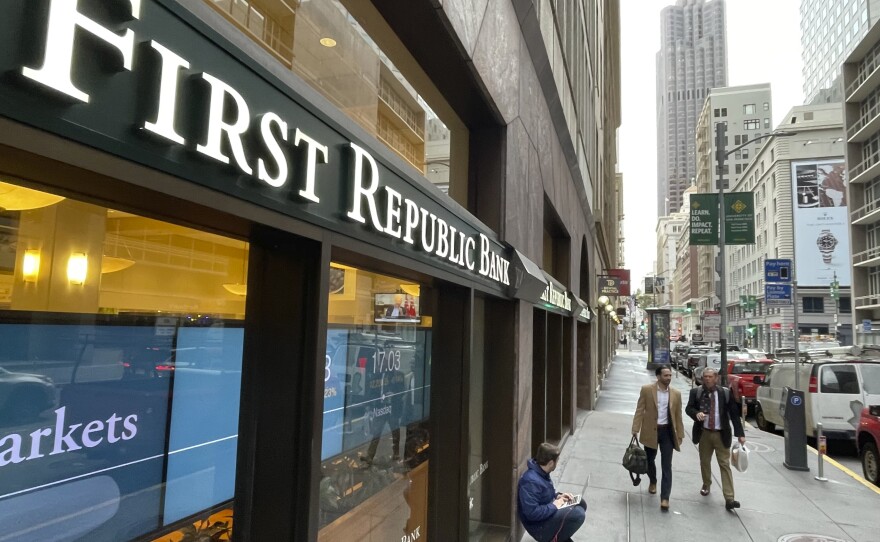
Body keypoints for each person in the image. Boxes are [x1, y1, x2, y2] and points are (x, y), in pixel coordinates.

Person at [685, 367, 746, 510]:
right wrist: (696, 414)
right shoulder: (697, 392)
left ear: (716, 378)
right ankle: (706, 483)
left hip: (721, 434)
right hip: (704, 433)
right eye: (705, 376)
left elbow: (734, 413)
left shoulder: (724, 393)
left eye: (710, 376)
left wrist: (740, 434)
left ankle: (729, 498)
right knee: (705, 462)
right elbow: (689, 408)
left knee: (724, 465)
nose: (707, 379)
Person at [631, 365, 684, 511]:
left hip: (667, 432)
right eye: (666, 375)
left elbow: (678, 415)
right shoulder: (647, 390)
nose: (668, 378)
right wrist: (635, 428)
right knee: (649, 460)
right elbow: (640, 409)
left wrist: (680, 434)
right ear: (658, 376)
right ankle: (653, 480)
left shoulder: (676, 394)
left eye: (670, 375)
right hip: (651, 431)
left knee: (667, 465)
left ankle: (665, 498)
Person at [517, 443, 587, 542]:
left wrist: (558, 496)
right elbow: (531, 513)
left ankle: (560, 537)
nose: (557, 463)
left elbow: (544, 495)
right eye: (557, 461)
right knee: (578, 514)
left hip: (546, 514)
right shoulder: (530, 481)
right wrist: (554, 505)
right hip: (538, 527)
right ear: (550, 463)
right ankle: (553, 539)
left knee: (580, 502)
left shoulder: (541, 472)